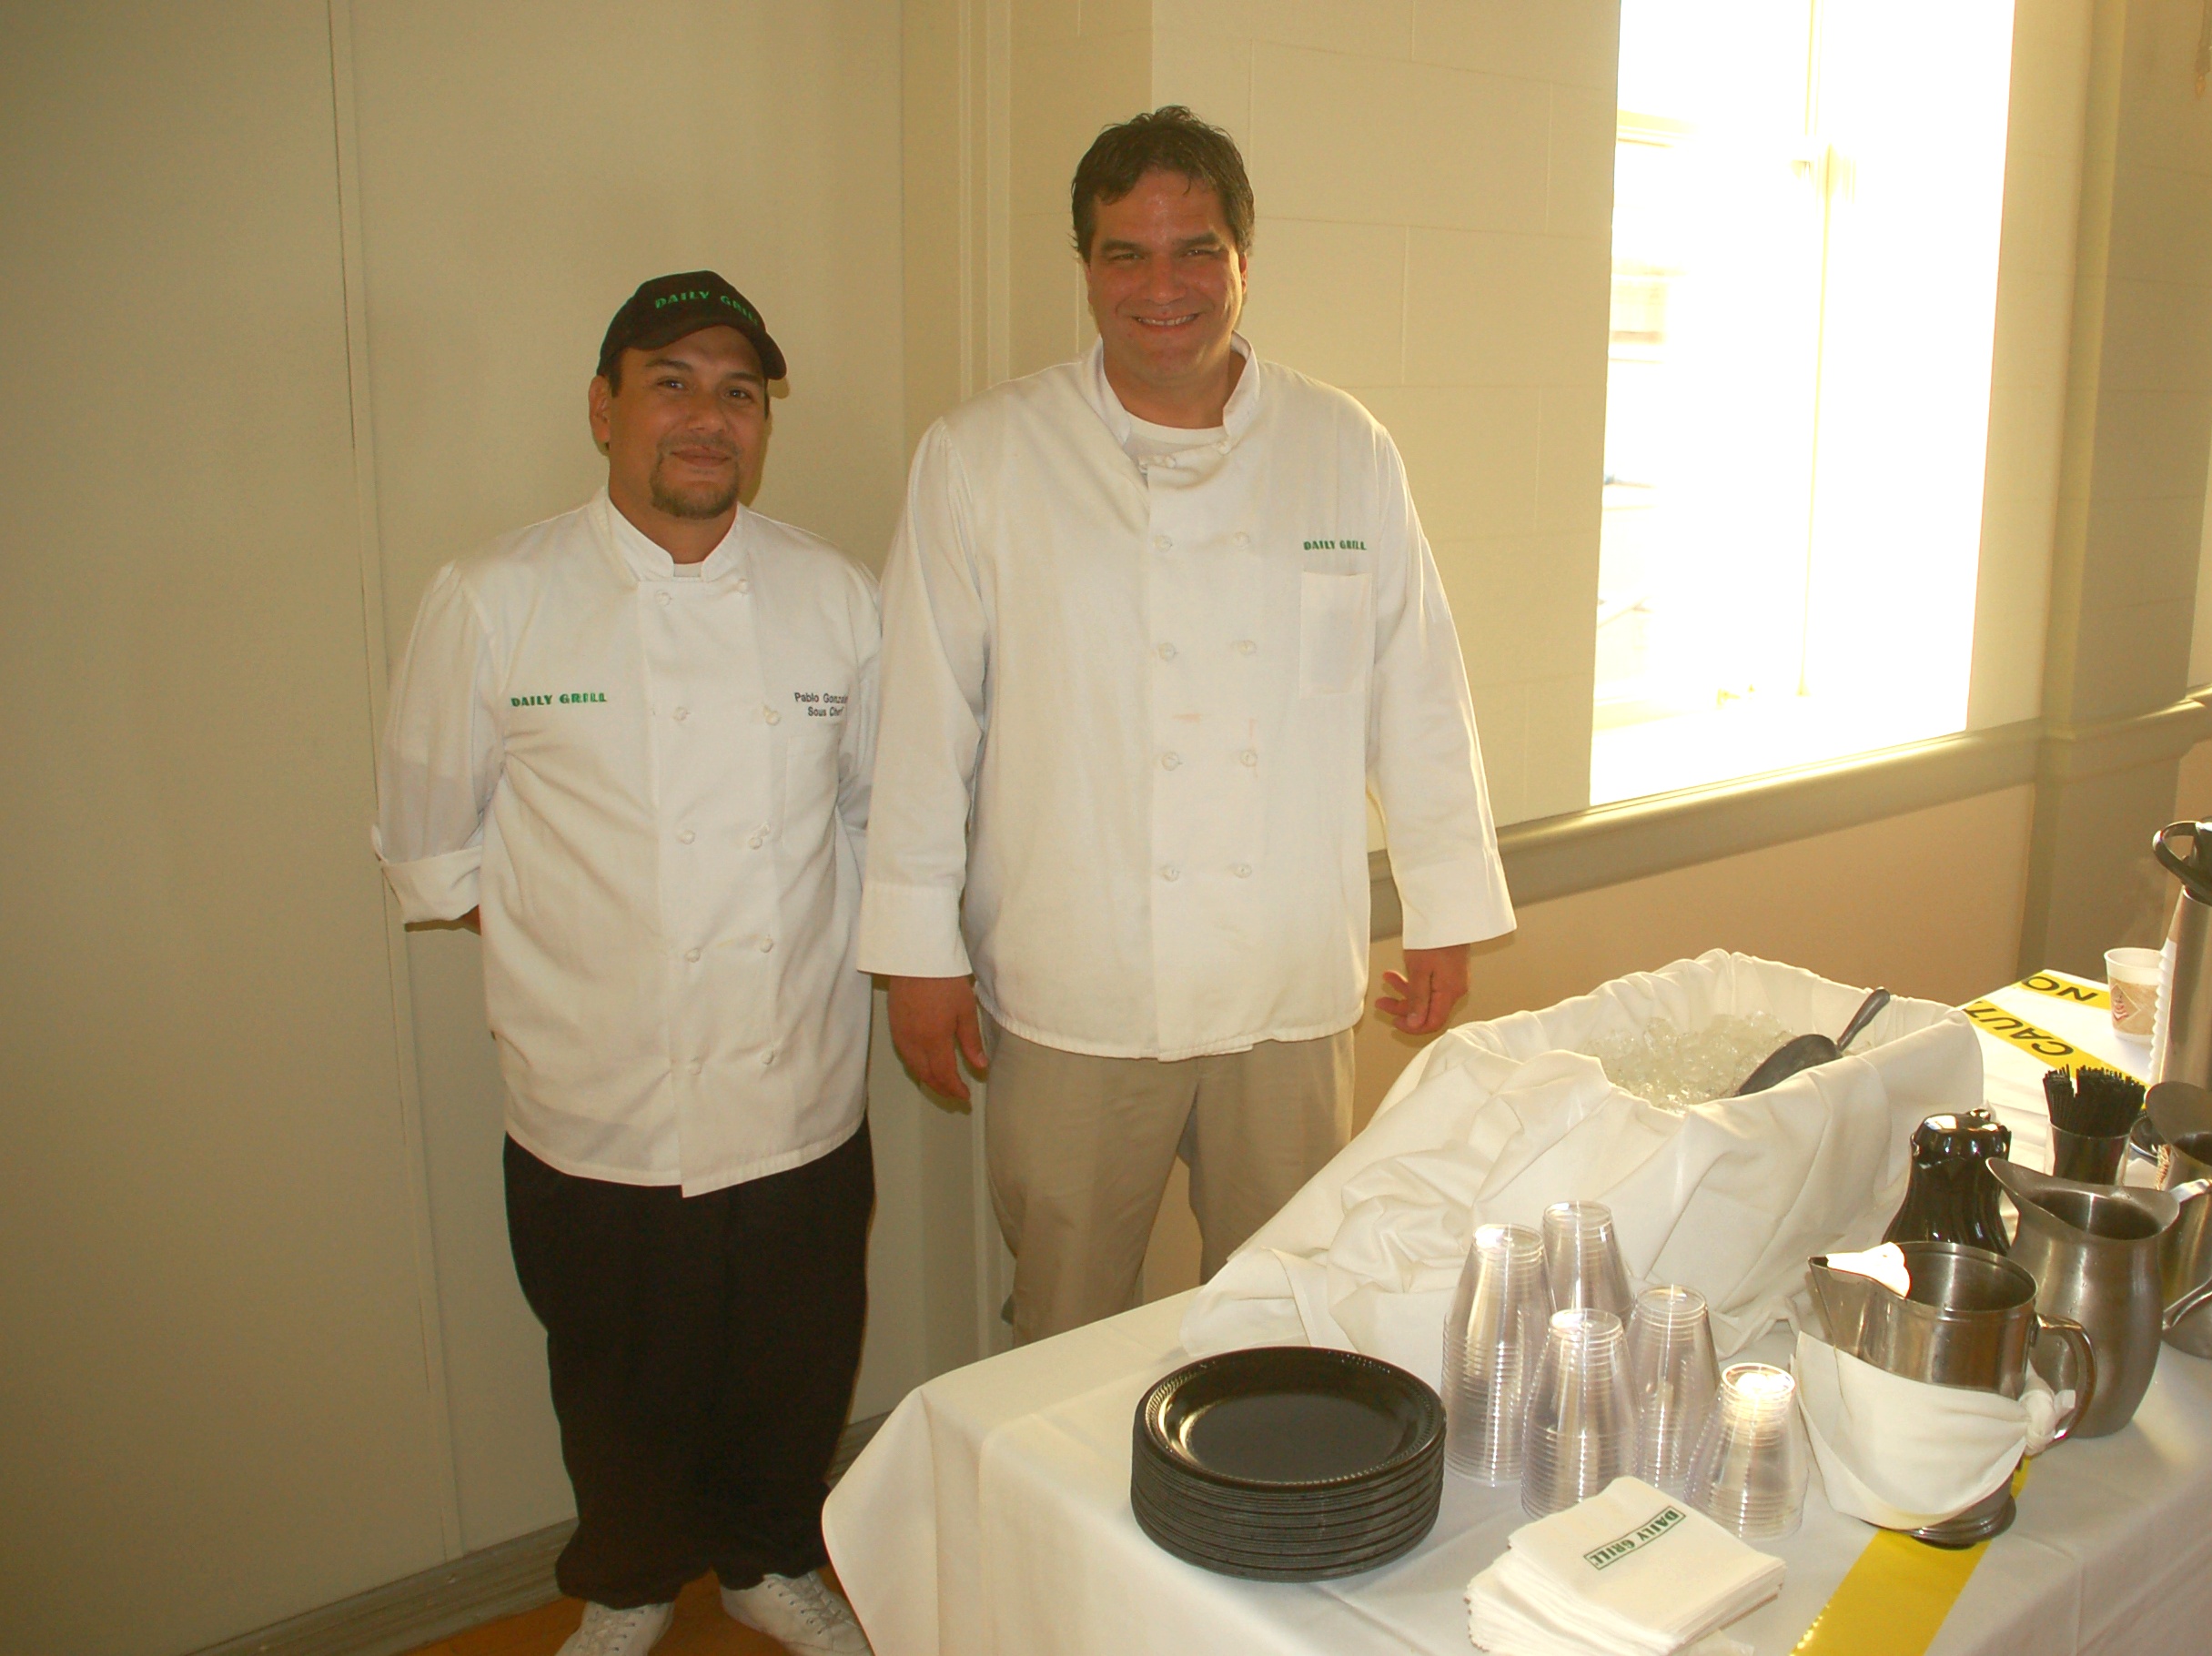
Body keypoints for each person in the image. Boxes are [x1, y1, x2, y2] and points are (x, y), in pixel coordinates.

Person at [861, 108, 1515, 1345]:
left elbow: (1417, 685)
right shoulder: (983, 457)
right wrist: (915, 952)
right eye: (1127, 254)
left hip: (1286, 975)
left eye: (1196, 251)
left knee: (1284, 1312)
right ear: (1087, 268)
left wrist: (1445, 906)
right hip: (1075, 976)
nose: (1163, 287)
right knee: (1064, 1319)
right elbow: (923, 717)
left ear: (1243, 262)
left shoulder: (1343, 448)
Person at [374, 272, 875, 1656]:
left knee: (794, 1361)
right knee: (612, 1372)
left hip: (796, 1085)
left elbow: (871, 820)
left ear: (763, 422)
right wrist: (592, 958)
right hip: (592, 1097)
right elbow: (433, 846)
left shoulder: (840, 598)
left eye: (738, 391)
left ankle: (772, 1560)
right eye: (671, 382)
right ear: (604, 410)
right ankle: (631, 1583)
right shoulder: (495, 600)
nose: (707, 416)